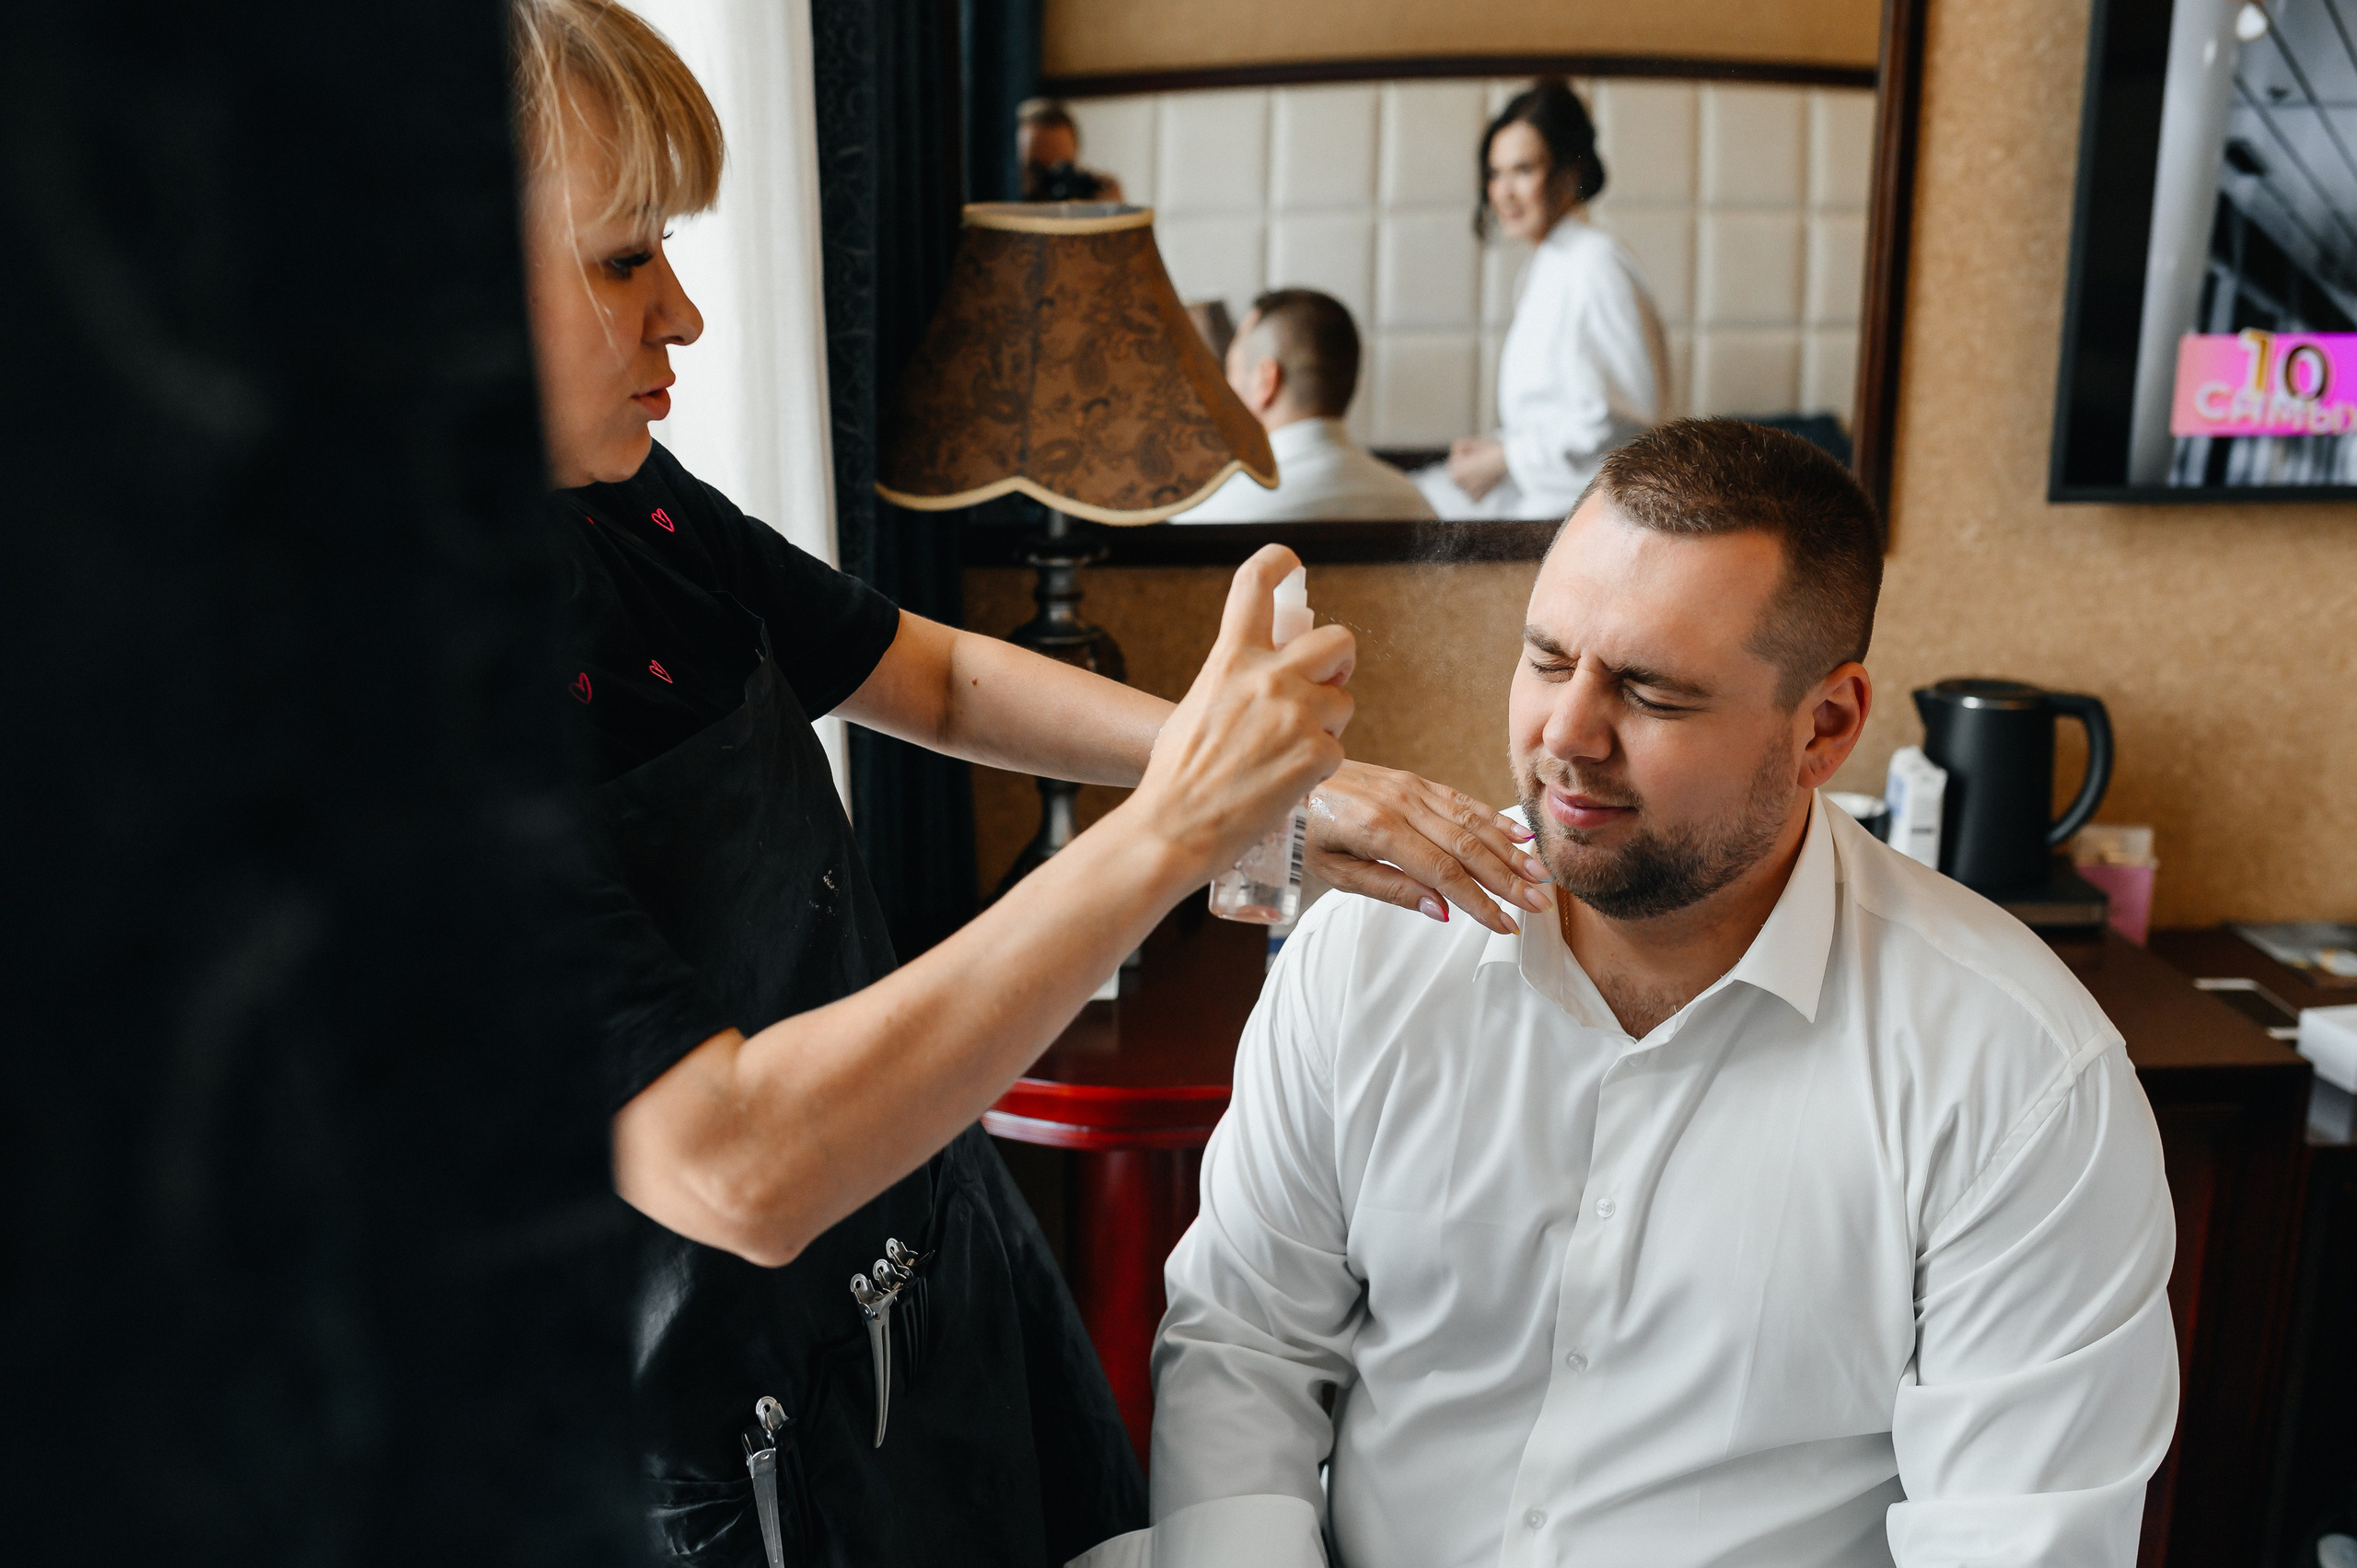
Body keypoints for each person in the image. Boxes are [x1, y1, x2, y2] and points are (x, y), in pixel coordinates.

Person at [508, 3, 1553, 1562]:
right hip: (721, 1429)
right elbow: (732, 1157)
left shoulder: (627, 509)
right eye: (622, 259)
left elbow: (919, 670)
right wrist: (1177, 825)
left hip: (920, 1266)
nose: (685, 317)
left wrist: (1286, 788)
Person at [1150, 420, 2179, 1565]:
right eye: (1547, 658)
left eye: (1651, 691)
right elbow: (1245, 1347)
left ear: (1825, 727)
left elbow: (2014, 1537)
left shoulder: (2017, 1074)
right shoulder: (1368, 952)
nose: (1565, 736)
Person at [1416, 79, 1672, 520]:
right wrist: (1499, 448)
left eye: (1523, 170)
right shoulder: (1547, 265)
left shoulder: (1596, 265)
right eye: (1495, 174)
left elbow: (1629, 420)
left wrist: (1509, 458)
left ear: (1570, 172)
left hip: (1578, 510)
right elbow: (1560, 410)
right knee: (1409, 497)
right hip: (1542, 491)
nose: (1503, 192)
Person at [1178, 289, 1435, 523]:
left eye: (1231, 371)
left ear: (1266, 382)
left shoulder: (1209, 515)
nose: (1226, 389)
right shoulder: (1417, 507)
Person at [1018, 97, 1124, 203]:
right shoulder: (1005, 202)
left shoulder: (1087, 196)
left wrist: (1112, 213)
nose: (1050, 182)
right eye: (1037, 169)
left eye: (1062, 168)